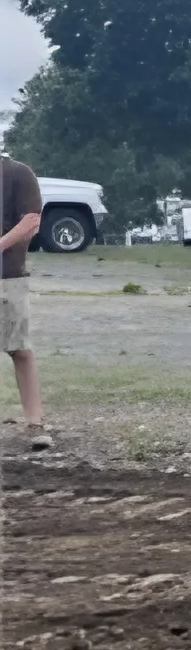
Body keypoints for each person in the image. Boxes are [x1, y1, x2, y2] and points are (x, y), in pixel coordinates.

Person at [0, 151, 49, 451]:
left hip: (7, 276)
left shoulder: (18, 173)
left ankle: (35, 424)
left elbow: (32, 221)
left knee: (18, 348)